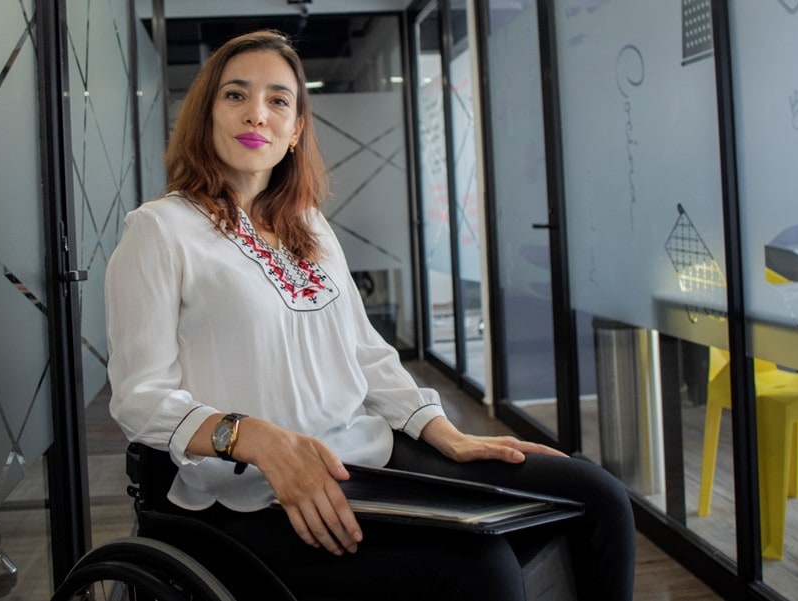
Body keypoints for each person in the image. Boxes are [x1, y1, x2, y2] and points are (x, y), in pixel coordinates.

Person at [105, 29, 635, 600]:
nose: (256, 113)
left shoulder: (307, 225)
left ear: (295, 130)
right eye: (235, 95)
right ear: (206, 114)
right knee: (482, 568)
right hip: (252, 493)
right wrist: (255, 438)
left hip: (366, 454)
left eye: (278, 100)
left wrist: (443, 432)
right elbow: (140, 397)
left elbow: (366, 352)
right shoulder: (160, 230)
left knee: (595, 497)